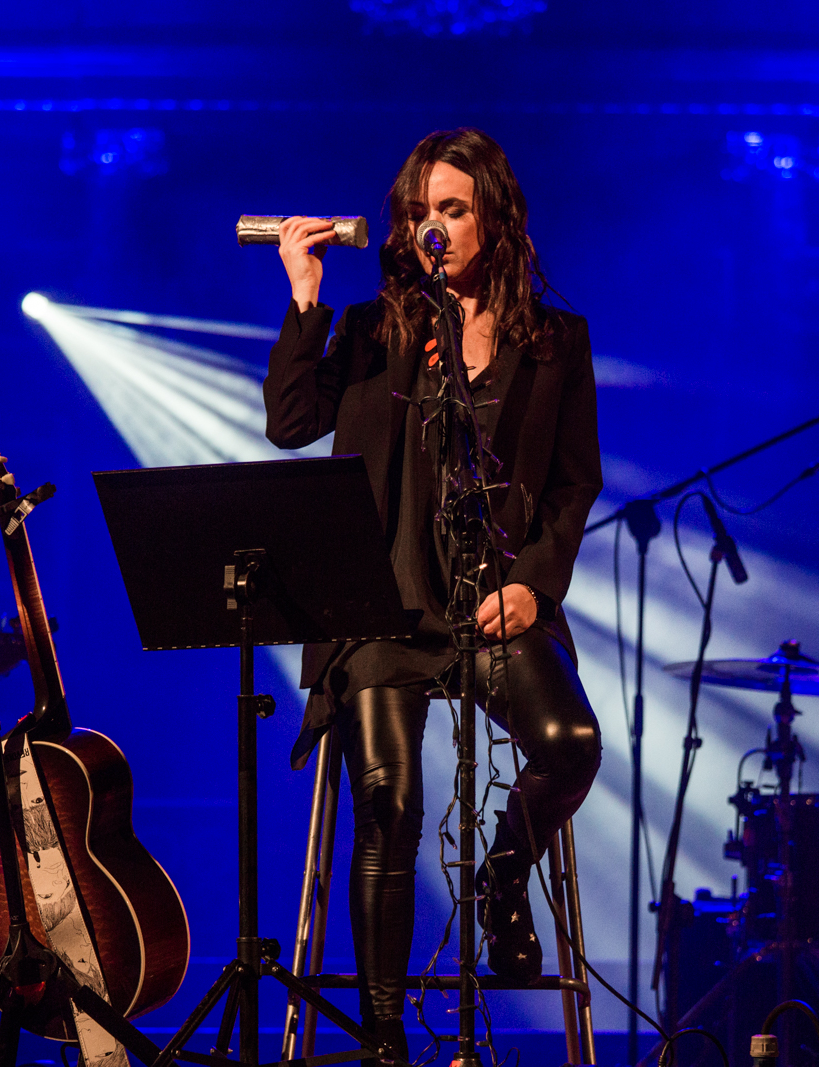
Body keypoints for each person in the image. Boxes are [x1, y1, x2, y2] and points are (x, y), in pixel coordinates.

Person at [264, 128, 603, 1056]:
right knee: (391, 806)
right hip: (381, 608)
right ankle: (383, 1041)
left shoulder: (555, 341)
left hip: (496, 604)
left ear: (493, 218)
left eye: (452, 209)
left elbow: (576, 485)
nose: (433, 228)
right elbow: (291, 423)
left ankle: (498, 878)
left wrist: (536, 583)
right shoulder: (377, 328)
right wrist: (306, 298)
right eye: (419, 212)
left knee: (571, 744)